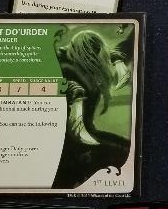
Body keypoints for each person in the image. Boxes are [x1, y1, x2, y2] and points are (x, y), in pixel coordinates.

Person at [53, 28, 133, 189]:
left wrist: (118, 57)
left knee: (128, 149)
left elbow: (123, 48)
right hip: (67, 144)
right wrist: (73, 92)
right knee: (122, 152)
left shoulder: (83, 63)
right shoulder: (63, 68)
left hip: (85, 134)